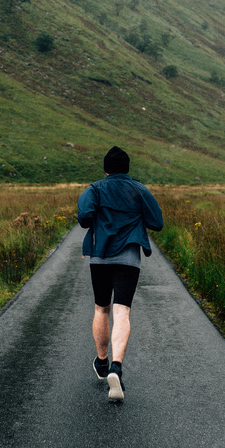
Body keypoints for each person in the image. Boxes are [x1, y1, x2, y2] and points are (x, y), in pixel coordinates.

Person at [77, 146, 164, 401]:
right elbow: (157, 222)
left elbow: (84, 218)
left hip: (100, 257)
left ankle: (102, 363)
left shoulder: (94, 189)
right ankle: (117, 366)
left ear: (105, 169)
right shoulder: (139, 189)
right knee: (122, 311)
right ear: (127, 168)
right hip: (128, 258)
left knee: (101, 309)